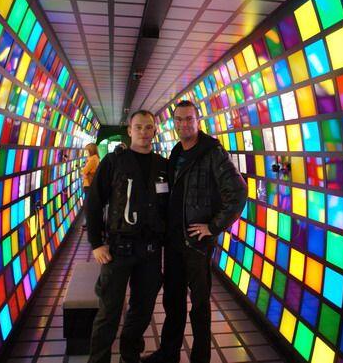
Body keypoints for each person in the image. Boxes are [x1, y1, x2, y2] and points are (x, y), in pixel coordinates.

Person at [142, 100, 247, 363]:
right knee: (172, 301)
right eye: (179, 119)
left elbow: (238, 192)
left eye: (189, 119)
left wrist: (213, 226)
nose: (184, 124)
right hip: (173, 241)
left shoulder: (212, 152)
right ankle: (169, 354)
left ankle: (200, 358)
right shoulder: (177, 151)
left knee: (200, 306)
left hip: (197, 244)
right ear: (173, 123)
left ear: (198, 121)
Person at [86, 110, 169, 363]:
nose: (144, 132)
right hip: (117, 249)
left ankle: (129, 356)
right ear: (129, 130)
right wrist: (96, 243)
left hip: (150, 251)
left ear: (155, 131)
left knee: (143, 309)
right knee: (109, 311)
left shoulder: (163, 165)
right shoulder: (113, 162)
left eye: (148, 127)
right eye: (138, 127)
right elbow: (94, 202)